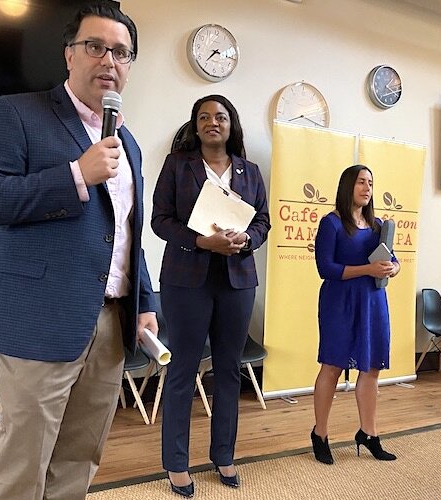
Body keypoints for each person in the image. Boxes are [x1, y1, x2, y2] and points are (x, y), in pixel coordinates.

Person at [0, 2, 157, 499]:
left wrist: (145, 303)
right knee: (21, 458)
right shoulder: (18, 112)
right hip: (39, 316)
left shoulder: (129, 143)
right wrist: (75, 174)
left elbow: (127, 232)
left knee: (79, 455)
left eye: (120, 52)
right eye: (95, 47)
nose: (108, 61)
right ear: (70, 55)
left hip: (111, 322)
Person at [151, 94, 270, 497]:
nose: (212, 122)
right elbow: (160, 221)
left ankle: (224, 455)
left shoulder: (250, 172)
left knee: (229, 370)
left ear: (231, 124)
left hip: (238, 280)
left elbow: (263, 222)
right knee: (184, 368)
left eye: (220, 117)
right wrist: (201, 241)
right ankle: (177, 463)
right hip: (187, 280)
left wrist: (247, 239)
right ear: (195, 125)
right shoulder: (177, 166)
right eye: (204, 117)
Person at [311, 165, 399, 465]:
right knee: (332, 367)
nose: (367, 187)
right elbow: (326, 269)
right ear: (348, 185)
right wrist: (368, 269)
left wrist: (392, 268)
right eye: (361, 182)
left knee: (371, 367)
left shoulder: (378, 226)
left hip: (373, 302)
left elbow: (393, 259)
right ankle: (320, 434)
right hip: (339, 302)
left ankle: (369, 433)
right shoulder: (331, 224)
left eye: (371, 183)